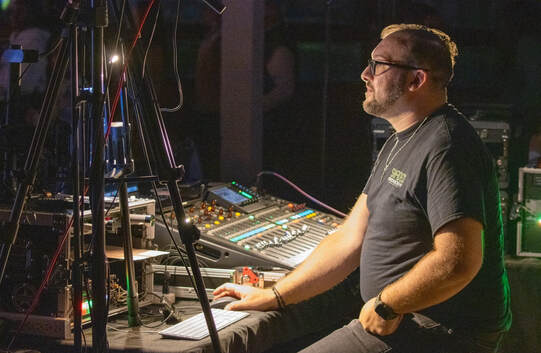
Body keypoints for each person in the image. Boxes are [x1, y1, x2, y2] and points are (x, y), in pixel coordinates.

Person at [213, 24, 511, 353]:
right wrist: (276, 295)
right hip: (402, 321)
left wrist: (388, 303)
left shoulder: (447, 146)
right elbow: (349, 238)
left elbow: (458, 260)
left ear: (416, 80)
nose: (364, 74)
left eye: (379, 65)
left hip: (435, 332)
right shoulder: (400, 140)